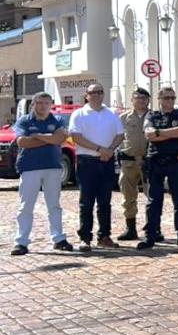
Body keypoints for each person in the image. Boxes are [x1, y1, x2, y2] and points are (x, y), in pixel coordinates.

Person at [10, 92, 73, 255]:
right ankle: (21, 242)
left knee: (54, 205)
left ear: (50, 104)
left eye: (46, 103)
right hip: (30, 167)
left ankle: (58, 239)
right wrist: (49, 138)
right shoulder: (24, 120)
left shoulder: (57, 119)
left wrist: (37, 136)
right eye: (39, 103)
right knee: (26, 206)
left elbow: (59, 139)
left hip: (52, 167)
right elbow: (22, 142)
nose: (43, 106)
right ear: (33, 104)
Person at [68, 83, 124, 251]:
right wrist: (100, 149)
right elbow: (76, 137)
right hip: (87, 162)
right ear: (87, 95)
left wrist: (110, 150)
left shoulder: (111, 113)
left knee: (105, 201)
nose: (98, 95)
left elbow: (120, 135)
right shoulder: (79, 114)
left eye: (101, 92)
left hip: (106, 161)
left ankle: (104, 236)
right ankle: (85, 238)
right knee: (86, 202)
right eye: (94, 92)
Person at [140, 87, 178, 249]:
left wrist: (159, 133)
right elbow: (148, 134)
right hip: (156, 161)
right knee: (154, 200)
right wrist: (172, 133)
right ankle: (151, 234)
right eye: (166, 98)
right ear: (159, 99)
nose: (169, 101)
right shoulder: (152, 115)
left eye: (172, 98)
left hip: (176, 161)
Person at [116, 87, 150, 241]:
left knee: (152, 197)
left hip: (149, 163)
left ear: (148, 100)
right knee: (128, 197)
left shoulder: (154, 116)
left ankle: (153, 228)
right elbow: (118, 139)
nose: (141, 100)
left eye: (144, 98)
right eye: (137, 97)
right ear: (132, 100)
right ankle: (131, 229)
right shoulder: (123, 118)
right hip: (129, 163)